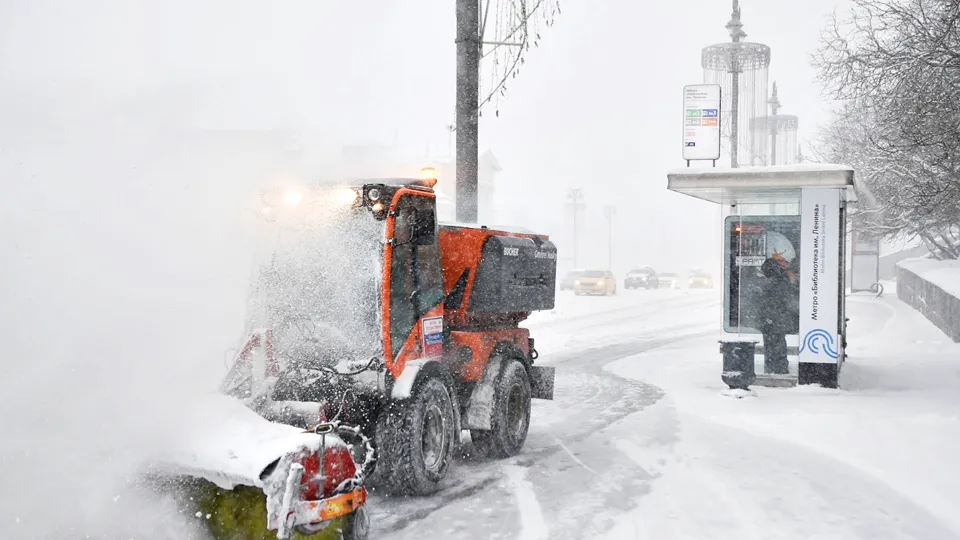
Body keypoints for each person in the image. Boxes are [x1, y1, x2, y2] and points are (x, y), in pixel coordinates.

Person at [758, 256, 793, 374]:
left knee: (770, 345)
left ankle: (772, 367)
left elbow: (768, 302)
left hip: (771, 319)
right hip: (779, 318)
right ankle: (781, 366)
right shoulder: (783, 278)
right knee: (779, 343)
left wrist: (767, 317)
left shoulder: (771, 282)